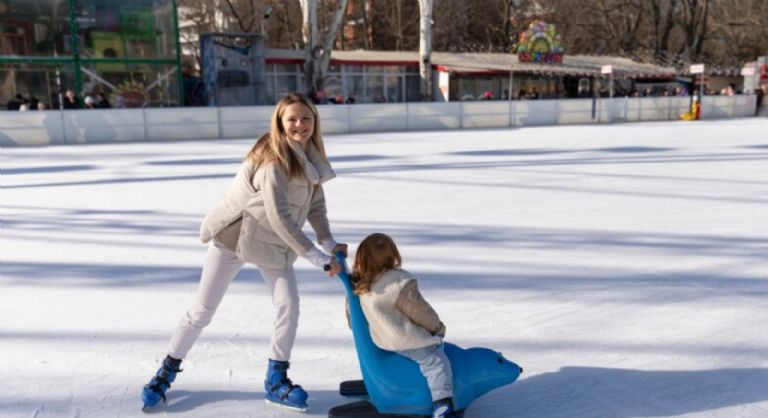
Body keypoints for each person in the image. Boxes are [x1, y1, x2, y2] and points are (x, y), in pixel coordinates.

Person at [141, 92, 348, 412]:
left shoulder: (311, 157)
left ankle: (276, 379)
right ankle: (167, 369)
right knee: (202, 310)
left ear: (315, 122)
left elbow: (314, 205)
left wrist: (329, 242)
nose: (300, 124)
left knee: (288, 306)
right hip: (236, 237)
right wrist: (319, 259)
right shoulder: (273, 160)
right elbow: (279, 216)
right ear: (280, 123)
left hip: (273, 244)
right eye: (291, 119)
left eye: (306, 118)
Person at [349, 233, 455, 418]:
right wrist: (436, 328)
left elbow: (352, 316)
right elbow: (419, 311)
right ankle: (442, 404)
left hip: (382, 340)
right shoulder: (398, 282)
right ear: (394, 255)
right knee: (436, 362)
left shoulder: (361, 284)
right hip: (405, 339)